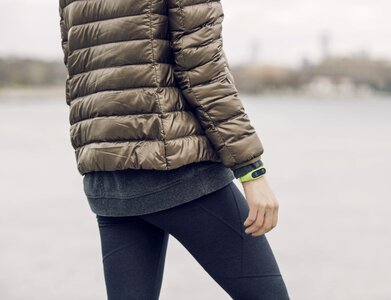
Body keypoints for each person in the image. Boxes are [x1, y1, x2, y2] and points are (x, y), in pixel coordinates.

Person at [58, 0, 290, 299]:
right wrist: (251, 169)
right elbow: (204, 72)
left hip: (108, 182)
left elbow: (79, 71)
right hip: (180, 174)